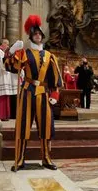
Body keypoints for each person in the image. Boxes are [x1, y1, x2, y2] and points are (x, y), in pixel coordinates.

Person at [4, 15, 62, 171]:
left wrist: (55, 95)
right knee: (23, 126)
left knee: (45, 127)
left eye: (39, 34)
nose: (37, 36)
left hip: (43, 92)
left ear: (42, 36)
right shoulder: (24, 53)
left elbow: (55, 78)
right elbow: (10, 67)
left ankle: (46, 158)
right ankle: (20, 158)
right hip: (27, 91)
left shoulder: (50, 57)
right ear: (31, 36)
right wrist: (11, 51)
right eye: (35, 33)